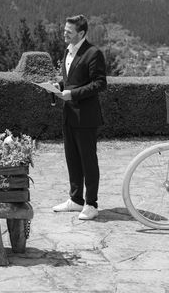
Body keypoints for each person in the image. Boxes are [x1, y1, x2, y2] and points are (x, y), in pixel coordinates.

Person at [52, 14, 107, 221]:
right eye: (64, 29)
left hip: (86, 117)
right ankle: (76, 200)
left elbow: (100, 83)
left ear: (81, 33)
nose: (64, 33)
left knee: (88, 161)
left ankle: (91, 204)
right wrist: (60, 87)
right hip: (69, 115)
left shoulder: (93, 53)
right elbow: (73, 81)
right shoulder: (67, 51)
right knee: (72, 159)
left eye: (69, 31)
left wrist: (72, 94)